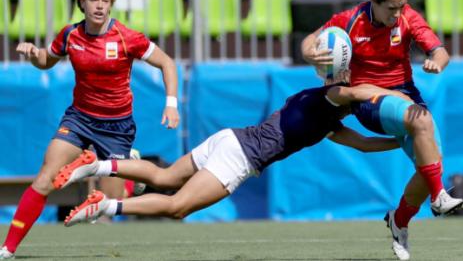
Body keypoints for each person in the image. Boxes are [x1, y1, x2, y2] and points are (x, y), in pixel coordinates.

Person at [0, 0, 179, 260]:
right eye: (94, 0)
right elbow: (47, 60)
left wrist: (171, 104)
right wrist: (35, 55)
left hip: (117, 128)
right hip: (79, 120)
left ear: (111, 4)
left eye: (105, 1)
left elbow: (167, 63)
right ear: (82, 3)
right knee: (46, 178)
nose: (99, 6)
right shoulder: (70, 35)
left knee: (112, 200)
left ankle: (130, 176)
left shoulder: (126, 37)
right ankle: (8, 248)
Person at [53, 83, 405, 227]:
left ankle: (98, 164)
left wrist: (400, 141)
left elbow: (363, 144)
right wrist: (394, 96)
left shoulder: (325, 120)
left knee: (164, 178)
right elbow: (356, 91)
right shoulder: (326, 99)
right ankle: (103, 206)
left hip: (229, 138)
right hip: (240, 157)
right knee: (178, 207)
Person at [301, 0, 463, 260]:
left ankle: (398, 222)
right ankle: (439, 198)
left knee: (430, 168)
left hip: (406, 94)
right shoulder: (350, 20)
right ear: (374, 1)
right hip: (368, 99)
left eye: (401, 7)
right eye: (391, 8)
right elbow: (312, 39)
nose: (397, 14)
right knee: (422, 123)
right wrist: (309, 53)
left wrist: (436, 63)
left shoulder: (408, 17)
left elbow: (440, 52)